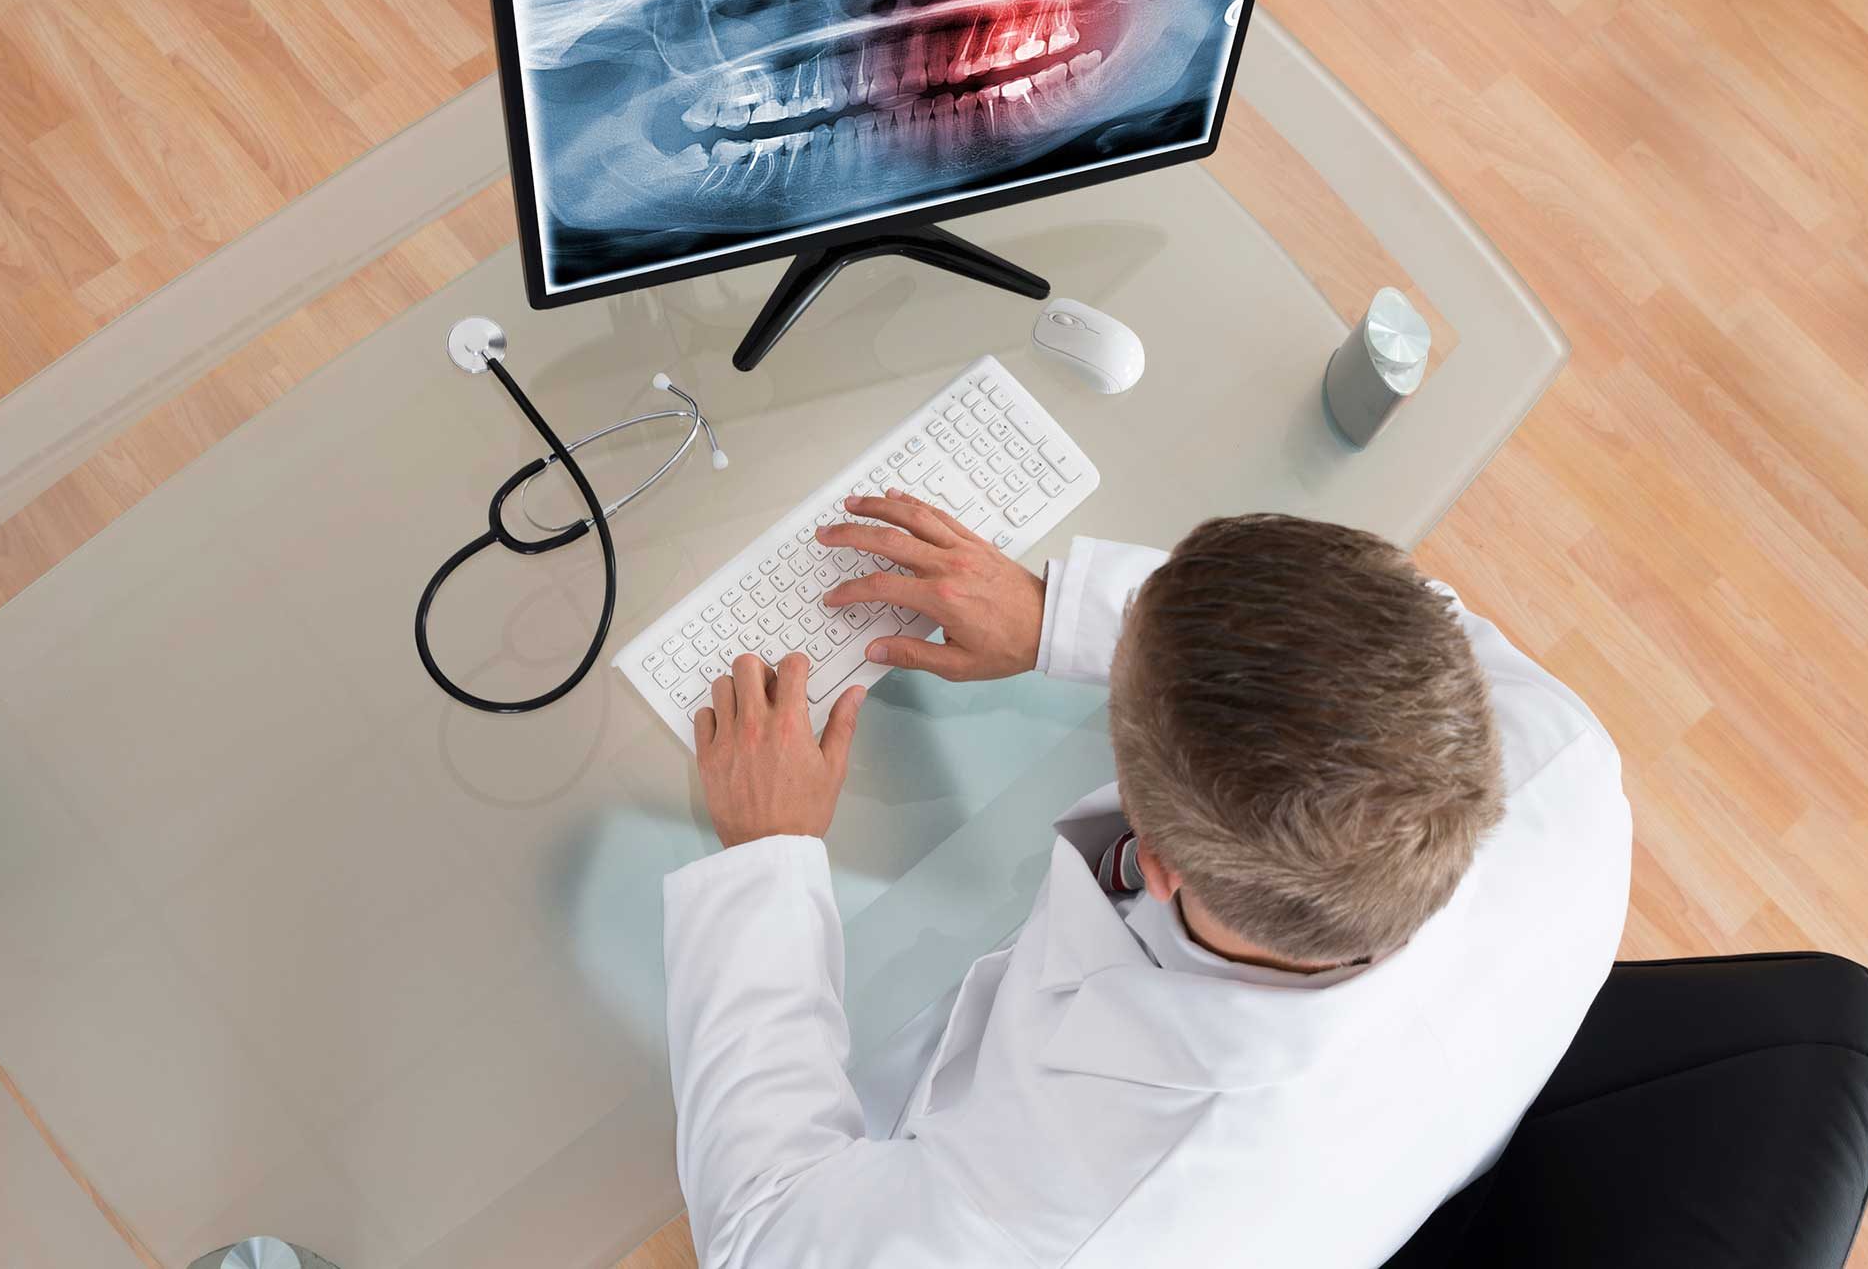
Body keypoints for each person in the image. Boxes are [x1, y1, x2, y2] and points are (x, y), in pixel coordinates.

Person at [664, 495, 1630, 1268]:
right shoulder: (1567, 761)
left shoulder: (1072, 1209)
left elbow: (764, 1232)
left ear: (1155, 860)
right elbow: (1415, 618)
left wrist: (766, 857)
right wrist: (1059, 613)